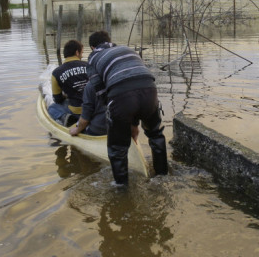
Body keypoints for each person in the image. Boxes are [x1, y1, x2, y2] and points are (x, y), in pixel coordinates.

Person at [70, 30, 168, 185]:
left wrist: (120, 122)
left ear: (92, 47)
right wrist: (133, 124)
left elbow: (102, 93)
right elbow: (136, 81)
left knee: (117, 148)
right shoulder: (127, 50)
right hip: (150, 90)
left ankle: (121, 189)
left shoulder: (94, 58)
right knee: (155, 135)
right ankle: (163, 176)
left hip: (122, 95)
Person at [47, 39, 89, 127]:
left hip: (75, 110)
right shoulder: (89, 66)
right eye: (82, 53)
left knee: (52, 108)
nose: (82, 55)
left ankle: (65, 117)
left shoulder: (56, 73)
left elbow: (57, 99)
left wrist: (65, 95)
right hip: (92, 109)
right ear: (77, 52)